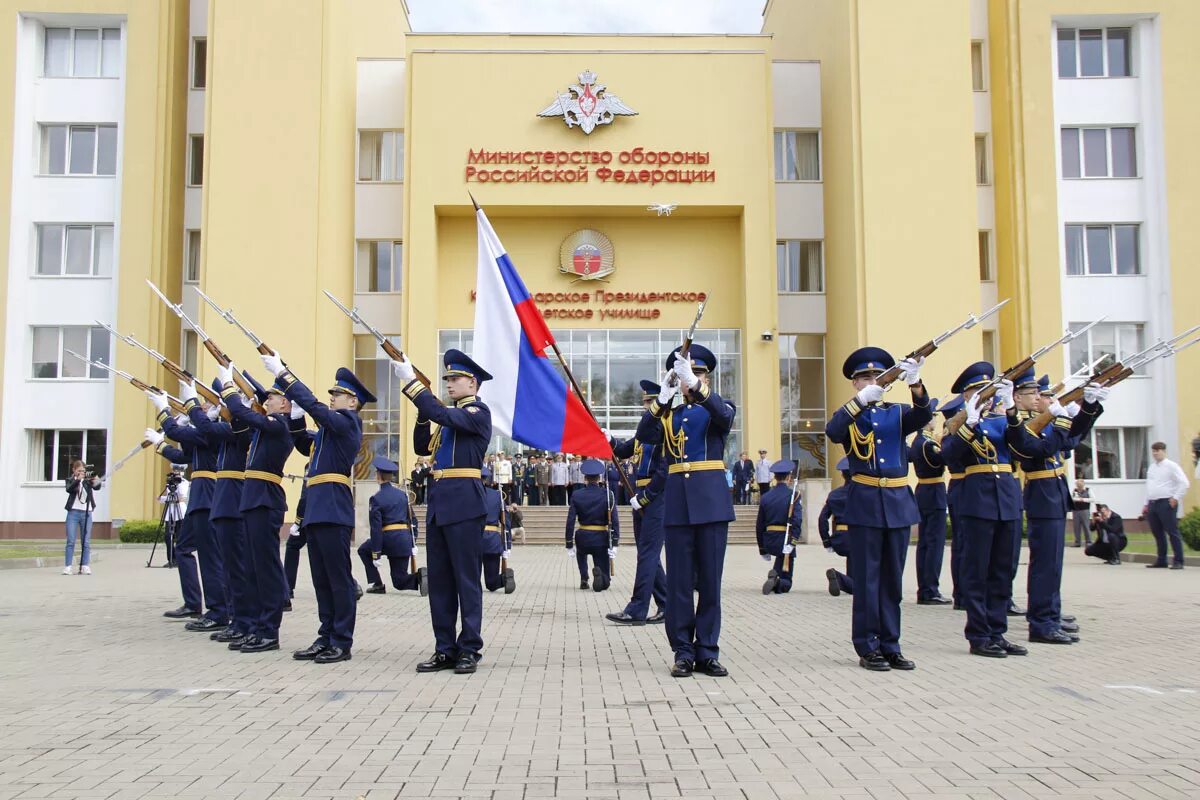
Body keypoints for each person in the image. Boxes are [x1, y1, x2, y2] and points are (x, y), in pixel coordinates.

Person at [825, 347, 929, 671]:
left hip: (897, 503)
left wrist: (916, 381)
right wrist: (860, 402)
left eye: (876, 376)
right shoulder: (851, 415)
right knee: (867, 581)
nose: (872, 381)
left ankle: (891, 644)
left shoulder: (896, 413)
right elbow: (833, 431)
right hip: (866, 503)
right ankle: (868, 646)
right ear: (856, 384)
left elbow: (923, 415)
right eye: (865, 377)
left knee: (892, 581)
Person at [267, 355, 375, 665]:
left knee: (338, 578)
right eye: (331, 394)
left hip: (332, 507)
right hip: (317, 507)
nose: (331, 398)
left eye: (337, 394)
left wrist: (286, 378)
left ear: (352, 401)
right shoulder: (330, 431)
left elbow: (319, 411)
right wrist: (297, 415)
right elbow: (302, 441)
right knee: (321, 579)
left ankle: (341, 640)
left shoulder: (348, 423)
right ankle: (326, 635)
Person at [637, 344, 735, 678]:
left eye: (699, 373)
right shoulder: (669, 416)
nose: (690, 380)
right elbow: (643, 435)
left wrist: (697, 385)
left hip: (710, 503)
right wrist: (662, 398)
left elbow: (725, 417)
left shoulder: (716, 407)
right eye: (684, 375)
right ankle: (682, 650)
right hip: (678, 505)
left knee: (710, 581)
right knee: (679, 583)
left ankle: (707, 650)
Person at [393, 349, 491, 675]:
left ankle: (470, 647)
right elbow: (423, 445)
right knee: (440, 582)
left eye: (455, 378)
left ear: (472, 383)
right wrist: (423, 409)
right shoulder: (448, 419)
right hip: (439, 504)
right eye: (447, 379)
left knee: (466, 580)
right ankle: (445, 648)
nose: (450, 383)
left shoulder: (477, 412)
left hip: (464, 503)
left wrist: (414, 385)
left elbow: (444, 415)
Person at [1010, 370, 1103, 646]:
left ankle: (1051, 614)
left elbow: (1070, 440)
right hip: (1041, 494)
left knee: (1053, 564)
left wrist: (1089, 408)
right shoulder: (1023, 424)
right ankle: (1041, 622)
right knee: (1045, 564)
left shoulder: (1043, 421)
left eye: (1041, 394)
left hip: (1054, 492)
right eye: (1034, 394)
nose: (1040, 398)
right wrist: (1060, 418)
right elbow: (1042, 448)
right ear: (1018, 398)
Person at [219, 366, 294, 654]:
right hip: (252, 500)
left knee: (265, 569)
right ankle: (256, 626)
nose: (267, 401)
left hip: (265, 501)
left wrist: (229, 388)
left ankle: (269, 630)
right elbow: (257, 400)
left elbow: (246, 413)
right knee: (252, 568)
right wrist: (240, 373)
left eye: (273, 398)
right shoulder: (268, 424)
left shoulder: (278, 425)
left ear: (284, 404)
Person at [146, 388, 231, 632]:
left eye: (208, 404)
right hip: (201, 494)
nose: (203, 408)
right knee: (184, 548)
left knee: (210, 555)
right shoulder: (207, 431)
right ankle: (195, 603)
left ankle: (218, 610)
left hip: (208, 494)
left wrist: (164, 411)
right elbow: (185, 455)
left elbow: (178, 433)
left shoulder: (214, 430)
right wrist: (162, 444)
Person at [200, 373, 258, 645]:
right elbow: (205, 432)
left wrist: (190, 403)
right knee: (229, 569)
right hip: (225, 503)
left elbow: (209, 429)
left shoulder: (241, 427)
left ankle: (244, 620)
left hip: (234, 503)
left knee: (237, 568)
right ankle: (238, 619)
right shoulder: (231, 427)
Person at [605, 380, 668, 625]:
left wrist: (645, 497)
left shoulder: (665, 429)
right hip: (640, 497)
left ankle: (637, 608)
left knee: (648, 553)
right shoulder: (644, 431)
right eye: (644, 402)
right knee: (647, 552)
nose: (646, 406)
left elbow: (664, 470)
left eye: (650, 402)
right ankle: (666, 604)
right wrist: (609, 440)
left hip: (655, 496)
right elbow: (623, 451)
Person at [359, 456, 428, 596]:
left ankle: (377, 584)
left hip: (387, 539)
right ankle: (424, 578)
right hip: (404, 540)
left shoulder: (376, 498)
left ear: (378, 475)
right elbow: (413, 520)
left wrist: (376, 553)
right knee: (399, 581)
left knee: (363, 550)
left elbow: (376, 528)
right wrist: (413, 541)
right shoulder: (403, 496)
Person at [908, 408, 951, 605]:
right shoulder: (928, 443)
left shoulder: (919, 442)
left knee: (925, 544)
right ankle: (929, 589)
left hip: (924, 492)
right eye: (933, 416)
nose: (935, 420)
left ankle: (926, 587)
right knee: (934, 544)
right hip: (934, 492)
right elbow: (946, 458)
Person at [566, 459, 618, 591]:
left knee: (581, 554)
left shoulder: (577, 494)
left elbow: (570, 520)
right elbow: (615, 520)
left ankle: (584, 577)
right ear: (599, 477)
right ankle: (600, 573)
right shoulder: (608, 495)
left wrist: (569, 543)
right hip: (601, 536)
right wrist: (615, 542)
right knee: (605, 583)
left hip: (582, 535)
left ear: (585, 478)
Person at [756, 460, 802, 595]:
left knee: (779, 564)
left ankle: (774, 575)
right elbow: (797, 520)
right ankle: (777, 581)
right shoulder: (793, 495)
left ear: (774, 477)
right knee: (787, 582)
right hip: (785, 540)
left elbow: (760, 525)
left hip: (769, 540)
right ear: (788, 477)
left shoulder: (765, 497)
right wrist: (793, 542)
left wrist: (762, 548)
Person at [1143, 441, 1190, 569]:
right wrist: (1146, 504)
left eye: (1157, 451)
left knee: (1172, 532)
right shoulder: (1152, 467)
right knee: (1157, 533)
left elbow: (1184, 483)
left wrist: (1176, 497)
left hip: (1166, 502)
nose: (1155, 453)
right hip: (1153, 502)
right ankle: (1161, 559)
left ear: (1164, 451)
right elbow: (1150, 486)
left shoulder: (1171, 466)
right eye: (1153, 451)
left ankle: (1178, 560)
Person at [820, 458, 853, 596]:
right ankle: (839, 578)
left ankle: (844, 580)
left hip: (839, 538)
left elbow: (822, 518)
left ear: (842, 475)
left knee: (854, 568)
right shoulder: (863, 493)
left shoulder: (835, 494)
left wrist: (826, 541)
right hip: (859, 537)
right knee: (864, 583)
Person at [63, 460, 102, 575]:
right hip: (73, 513)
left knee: (86, 541)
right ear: (74, 471)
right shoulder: (70, 480)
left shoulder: (87, 480)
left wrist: (96, 479)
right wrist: (78, 480)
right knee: (71, 540)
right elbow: (69, 489)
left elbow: (97, 487)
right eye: (79, 471)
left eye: (83, 471)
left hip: (86, 512)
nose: (81, 473)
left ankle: (85, 565)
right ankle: (68, 566)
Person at [481, 470, 516, 593]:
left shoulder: (467, 494)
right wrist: (507, 546)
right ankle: (503, 579)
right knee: (491, 583)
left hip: (472, 539)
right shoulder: (497, 495)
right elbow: (505, 521)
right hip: (492, 540)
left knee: (469, 579)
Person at [1071, 479, 1092, 548]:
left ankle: (1088, 542)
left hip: (1085, 510)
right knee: (1076, 527)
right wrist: (1074, 499)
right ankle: (1077, 542)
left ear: (1083, 485)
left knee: (1086, 526)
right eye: (1077, 485)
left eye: (1080, 485)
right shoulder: (1074, 491)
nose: (1079, 487)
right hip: (1076, 510)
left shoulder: (1088, 490)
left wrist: (1083, 499)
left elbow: (1093, 499)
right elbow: (1072, 498)